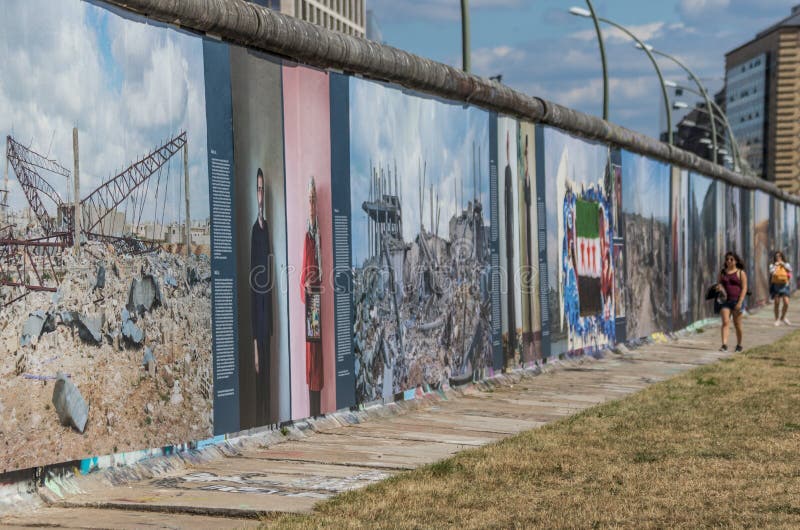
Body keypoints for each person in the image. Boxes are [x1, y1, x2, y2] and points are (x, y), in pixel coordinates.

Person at [251, 167, 273, 425]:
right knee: (259, 379)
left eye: (262, 189)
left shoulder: (266, 229)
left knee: (268, 380)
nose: (260, 194)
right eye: (257, 189)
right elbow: (252, 288)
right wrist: (254, 345)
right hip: (258, 320)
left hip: (267, 322)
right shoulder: (255, 232)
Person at [301, 177, 324, 417]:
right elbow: (302, 278)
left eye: (314, 199)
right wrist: (306, 286)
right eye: (309, 199)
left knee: (319, 360)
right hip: (312, 304)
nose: (311, 205)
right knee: (312, 357)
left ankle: (318, 411)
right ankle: (312, 412)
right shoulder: (306, 238)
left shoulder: (318, 237)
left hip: (319, 300)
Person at [717, 251, 747, 353]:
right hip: (725, 301)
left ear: (736, 261)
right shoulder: (722, 272)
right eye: (727, 259)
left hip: (737, 301)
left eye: (731, 259)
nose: (729, 261)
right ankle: (724, 345)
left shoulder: (740, 273)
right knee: (725, 322)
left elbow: (744, 288)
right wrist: (719, 287)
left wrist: (740, 302)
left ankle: (739, 345)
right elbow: (719, 284)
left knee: (737, 325)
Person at [769, 251, 792, 326]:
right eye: (777, 256)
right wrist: (776, 266)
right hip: (776, 285)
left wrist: (783, 264)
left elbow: (790, 270)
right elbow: (772, 272)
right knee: (777, 303)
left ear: (782, 257)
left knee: (786, 303)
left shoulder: (786, 264)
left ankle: (783, 317)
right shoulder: (772, 265)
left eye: (780, 256)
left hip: (785, 285)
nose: (778, 257)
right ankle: (777, 319)